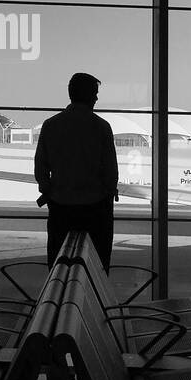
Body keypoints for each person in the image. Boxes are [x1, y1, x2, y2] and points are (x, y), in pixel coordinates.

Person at [34, 72, 119, 271]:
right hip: (95, 209)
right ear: (89, 95)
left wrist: (48, 190)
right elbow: (110, 170)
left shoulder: (51, 125)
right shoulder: (101, 127)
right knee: (97, 267)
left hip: (61, 207)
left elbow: (41, 166)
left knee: (58, 264)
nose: (97, 98)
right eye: (95, 94)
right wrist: (108, 191)